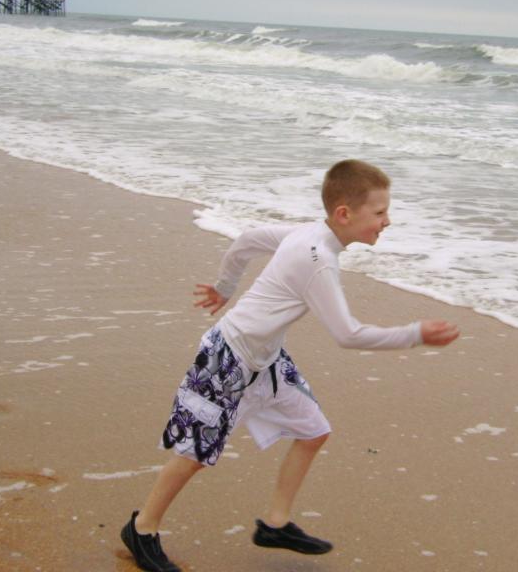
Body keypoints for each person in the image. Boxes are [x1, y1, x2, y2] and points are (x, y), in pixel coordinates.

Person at [121, 159, 460, 572]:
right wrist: (415, 334)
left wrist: (226, 287)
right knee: (194, 452)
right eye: (380, 212)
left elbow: (246, 240)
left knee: (314, 430)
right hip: (226, 356)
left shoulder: (310, 234)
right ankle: (142, 529)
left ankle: (275, 524)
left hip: (265, 358)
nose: (387, 221)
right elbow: (347, 335)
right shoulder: (318, 259)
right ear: (344, 214)